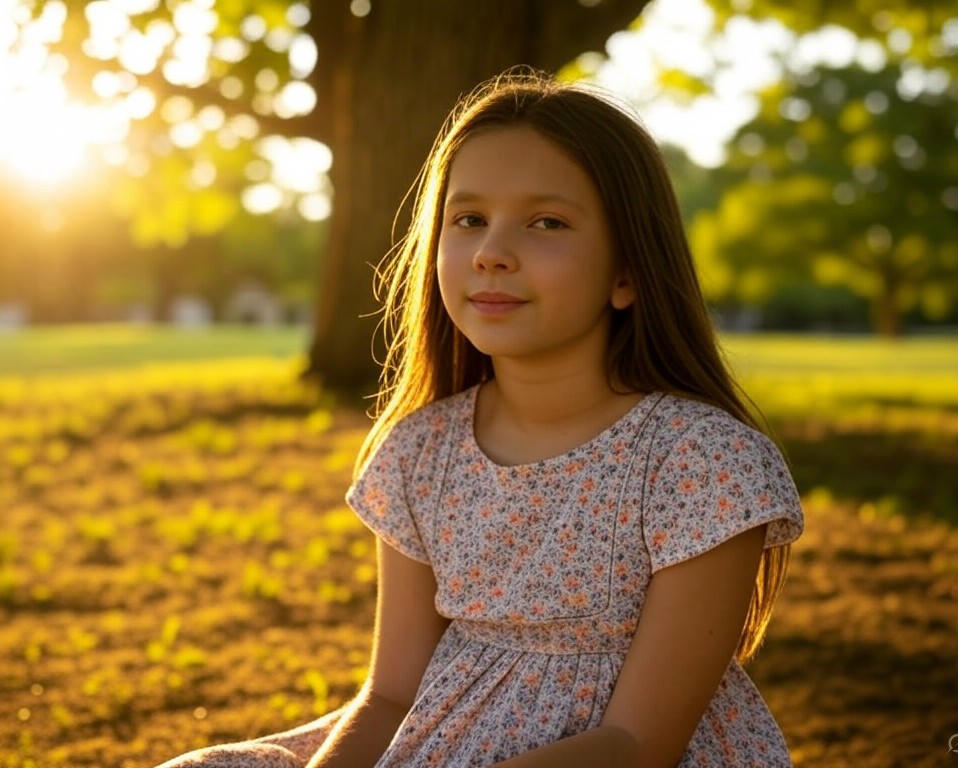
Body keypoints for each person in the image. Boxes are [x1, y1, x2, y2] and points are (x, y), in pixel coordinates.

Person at [155, 65, 804, 768]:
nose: (492, 253)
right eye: (469, 220)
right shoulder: (421, 451)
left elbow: (638, 745)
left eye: (546, 223)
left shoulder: (702, 463)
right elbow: (390, 697)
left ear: (628, 273)